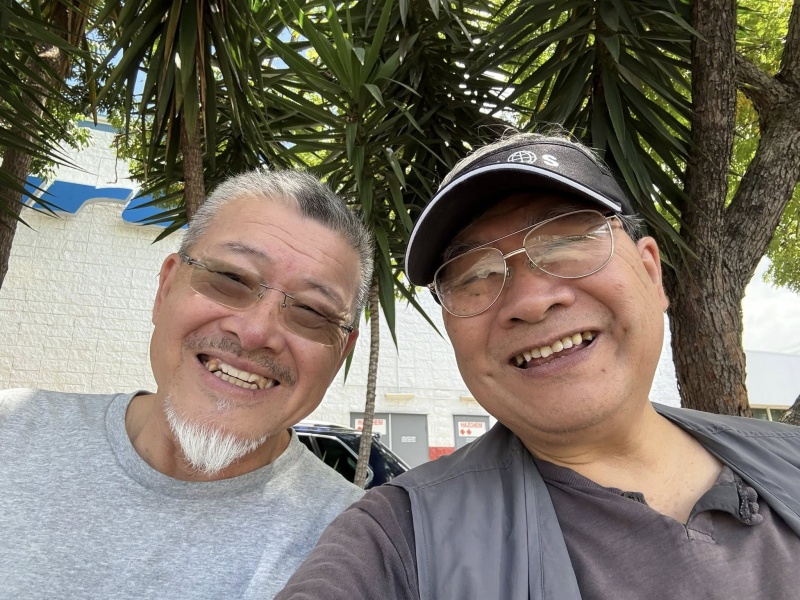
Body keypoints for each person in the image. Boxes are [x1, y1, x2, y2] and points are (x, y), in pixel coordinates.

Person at [275, 133, 800, 600]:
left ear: (650, 271)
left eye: (567, 243)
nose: (530, 301)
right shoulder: (398, 539)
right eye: (474, 274)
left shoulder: (789, 458)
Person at [0, 169, 373, 599]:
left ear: (341, 354)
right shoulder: (12, 430)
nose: (255, 332)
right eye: (232, 279)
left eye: (312, 312)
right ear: (166, 288)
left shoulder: (363, 550)